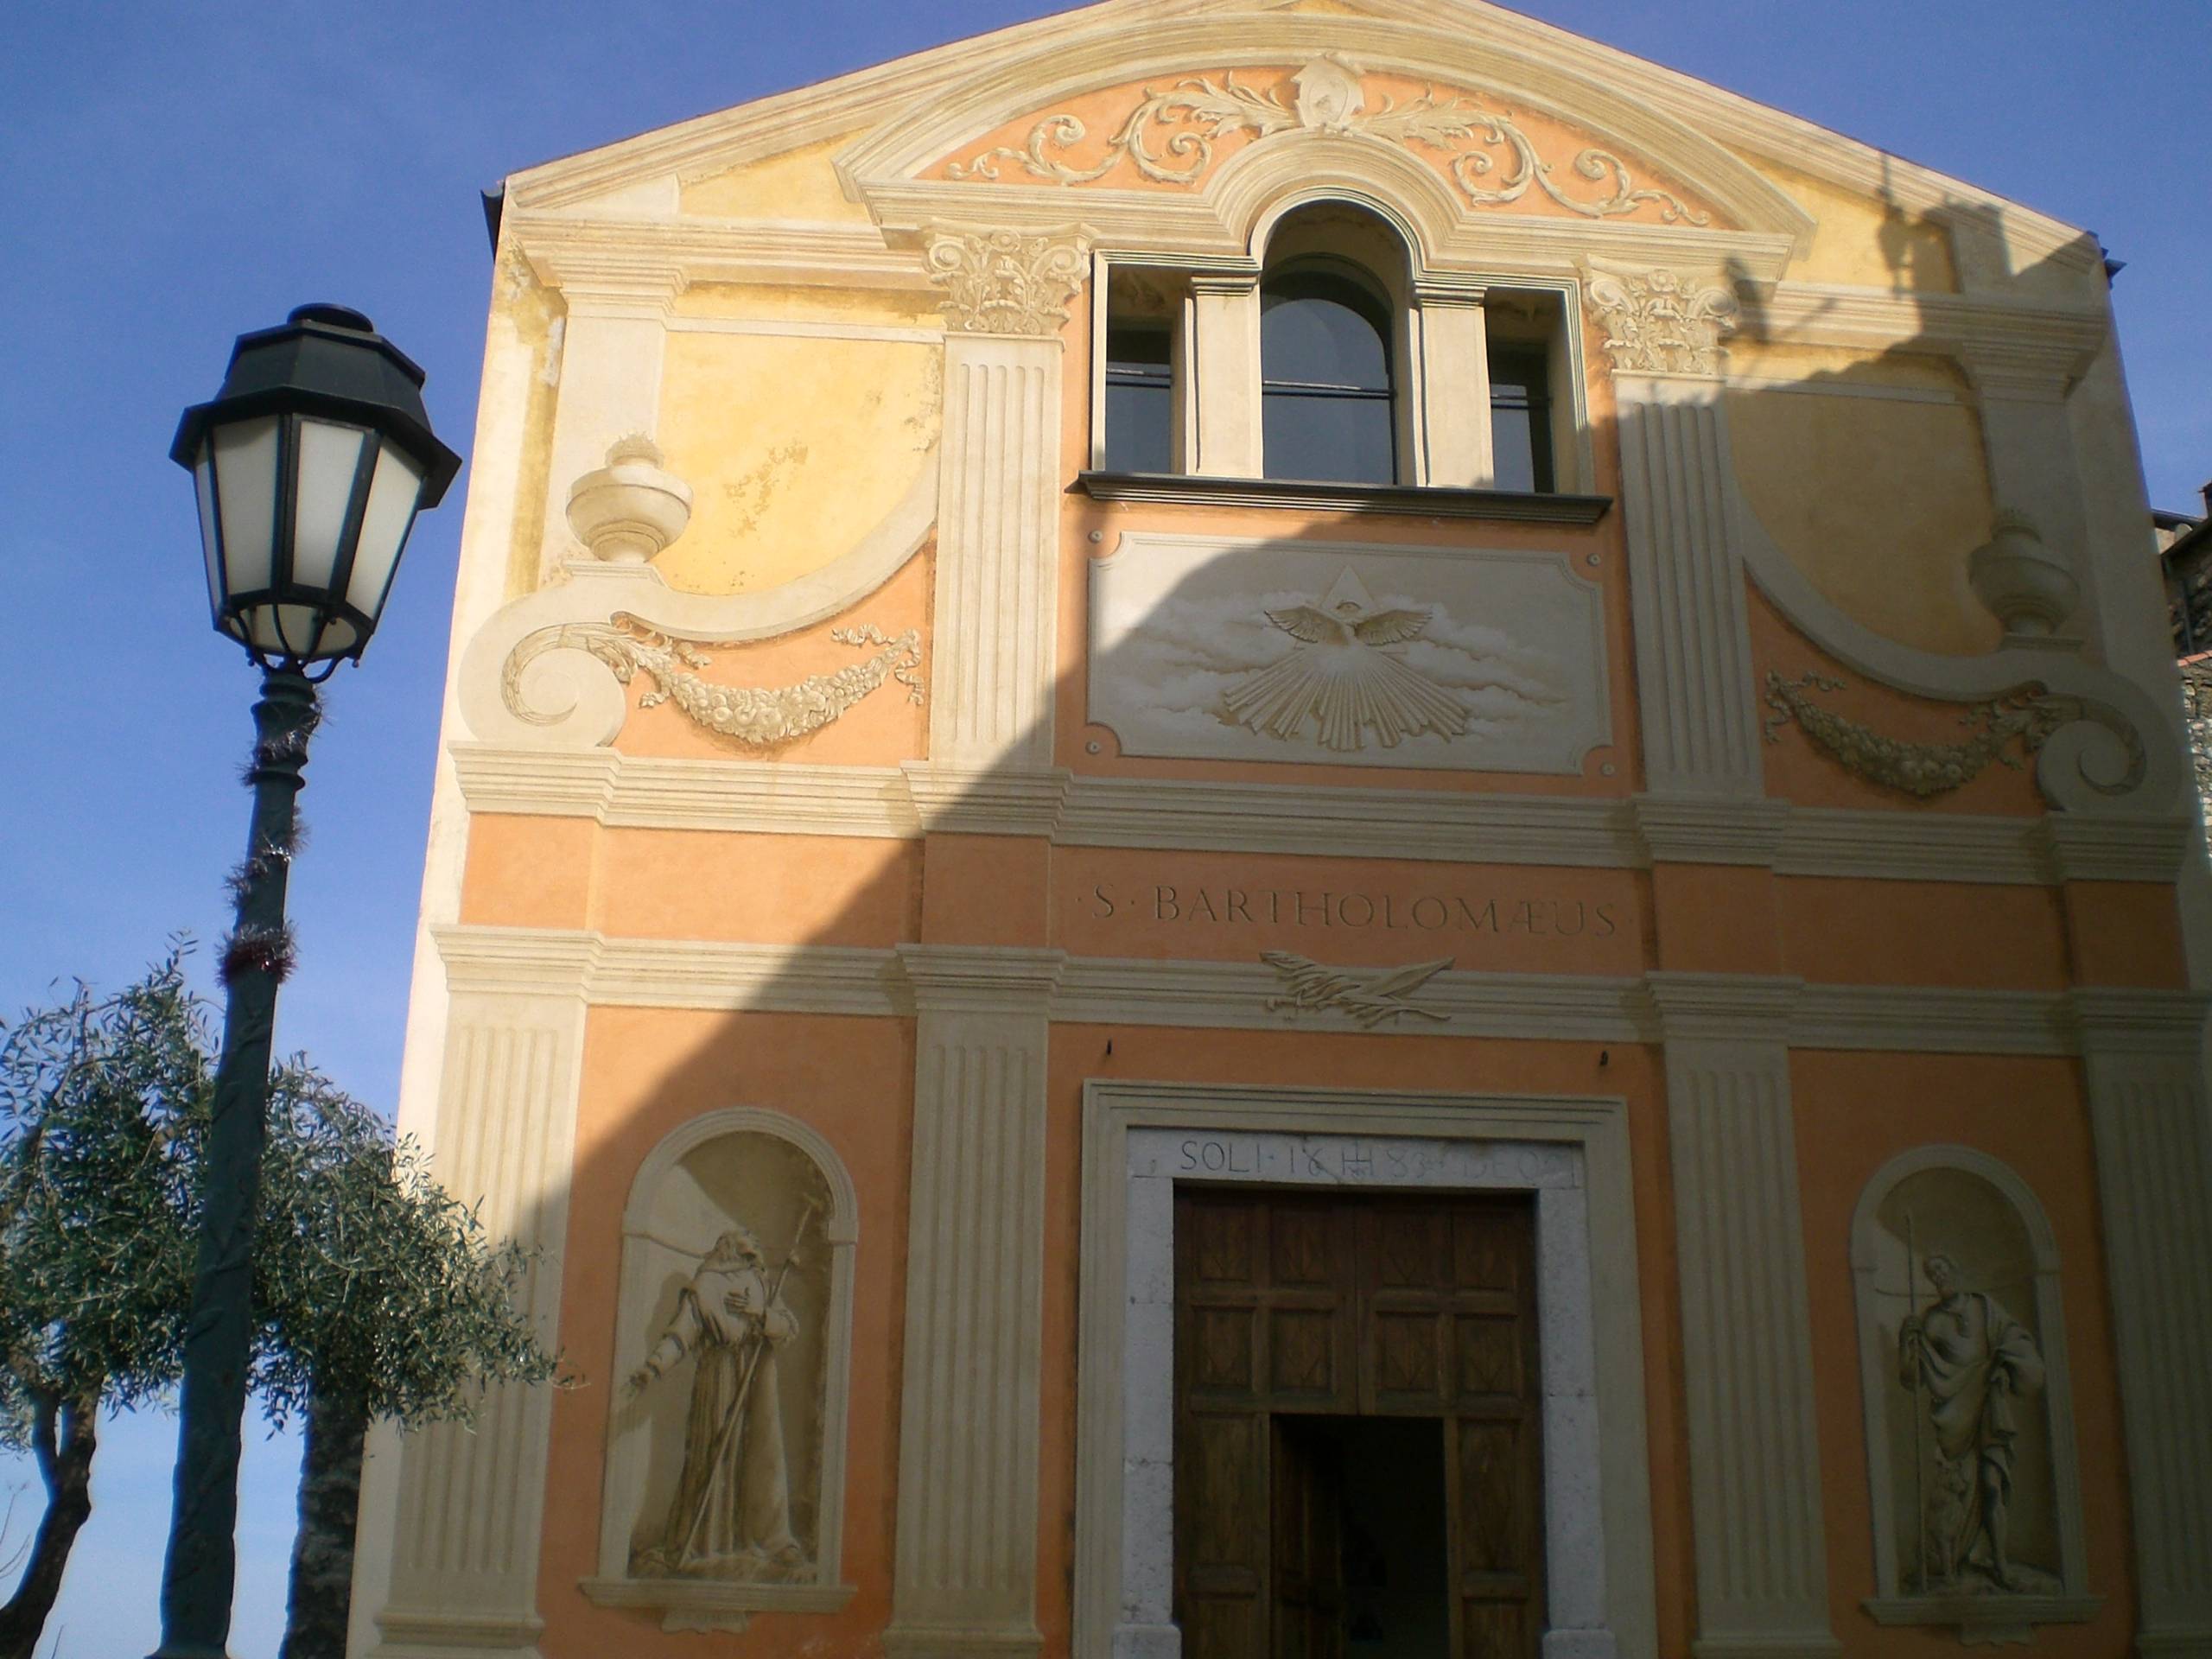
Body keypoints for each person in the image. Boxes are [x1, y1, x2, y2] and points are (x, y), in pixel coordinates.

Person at [627, 1224, 801, 1575]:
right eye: (747, 1249)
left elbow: (788, 1328)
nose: (753, 1254)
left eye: (753, 1251)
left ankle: (756, 1539)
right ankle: (706, 1542)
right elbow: (681, 1335)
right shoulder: (704, 1286)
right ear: (730, 1249)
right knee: (711, 1454)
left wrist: (760, 1313)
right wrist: (653, 1367)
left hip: (755, 1378)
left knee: (754, 1456)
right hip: (718, 1377)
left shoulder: (762, 1285)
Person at [1897, 1250, 2044, 1590]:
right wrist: (1908, 1341)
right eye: (1931, 1272)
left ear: (1955, 1269)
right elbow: (1912, 1378)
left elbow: (2015, 1341)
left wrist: (2004, 1366)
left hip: (1989, 1405)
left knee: (1993, 1483)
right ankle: (1956, 1560)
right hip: (1955, 1416)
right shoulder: (1931, 1321)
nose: (1938, 1276)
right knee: (1956, 1497)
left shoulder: (1984, 1307)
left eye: (1941, 1269)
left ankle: (2000, 1563)